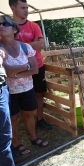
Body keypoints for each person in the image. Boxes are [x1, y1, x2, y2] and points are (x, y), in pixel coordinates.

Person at [0, 15, 49, 158]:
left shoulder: (25, 47)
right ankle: (16, 144)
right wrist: (24, 66)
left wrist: (15, 73)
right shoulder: (0, 50)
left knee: (28, 114)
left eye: (5, 24)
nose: (1, 26)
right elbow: (7, 71)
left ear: (14, 29)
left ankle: (33, 137)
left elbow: (35, 69)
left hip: (27, 88)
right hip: (9, 91)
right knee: (13, 118)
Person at [10, 0, 52, 130]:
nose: (26, 10)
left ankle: (39, 119)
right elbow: (6, 46)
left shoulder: (34, 26)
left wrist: (16, 44)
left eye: (27, 7)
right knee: (16, 96)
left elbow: (41, 45)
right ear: (13, 8)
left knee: (39, 93)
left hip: (37, 66)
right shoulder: (6, 27)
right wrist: (30, 45)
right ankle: (19, 124)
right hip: (16, 70)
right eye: (23, 8)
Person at [0, 46, 34, 166]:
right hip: (4, 87)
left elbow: (34, 68)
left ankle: (10, 160)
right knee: (3, 134)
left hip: (4, 86)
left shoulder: (24, 47)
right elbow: (7, 68)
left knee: (4, 133)